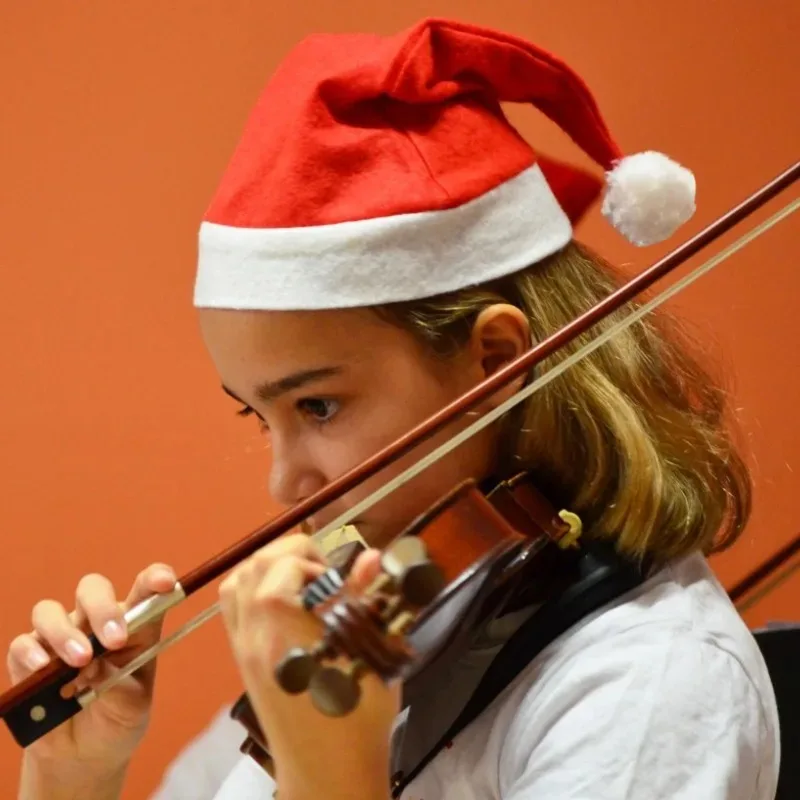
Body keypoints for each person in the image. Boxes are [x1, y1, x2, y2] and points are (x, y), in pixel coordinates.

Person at [9, 16, 780, 800]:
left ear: (497, 361)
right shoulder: (386, 613)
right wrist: (76, 776)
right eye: (258, 416)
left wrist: (333, 772)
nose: (286, 485)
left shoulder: (646, 687)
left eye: (316, 404)